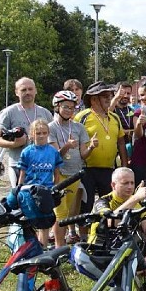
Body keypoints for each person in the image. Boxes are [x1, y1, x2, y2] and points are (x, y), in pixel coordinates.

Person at [91, 167, 146, 274]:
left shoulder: (138, 203)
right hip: (103, 250)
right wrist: (135, 198)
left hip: (127, 247)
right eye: (125, 183)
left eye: (132, 183)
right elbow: (111, 222)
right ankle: (133, 271)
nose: (130, 187)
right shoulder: (102, 201)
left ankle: (141, 268)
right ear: (113, 185)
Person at [74, 81, 129, 236]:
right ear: (93, 99)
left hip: (109, 169)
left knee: (109, 204)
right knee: (86, 205)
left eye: (110, 95)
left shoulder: (115, 117)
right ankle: (83, 237)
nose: (108, 98)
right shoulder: (82, 117)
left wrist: (124, 166)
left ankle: (108, 234)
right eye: (104, 96)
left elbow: (121, 143)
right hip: (86, 169)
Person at [49, 90, 93, 246]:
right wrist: (67, 146)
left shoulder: (79, 127)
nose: (69, 110)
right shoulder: (51, 128)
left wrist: (92, 147)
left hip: (75, 174)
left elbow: (83, 154)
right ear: (57, 107)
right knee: (60, 214)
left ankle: (65, 242)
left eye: (72, 108)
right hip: (60, 174)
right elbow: (55, 157)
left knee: (70, 212)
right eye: (65, 107)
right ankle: (58, 248)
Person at [0, 77, 53, 187]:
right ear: (17, 92)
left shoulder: (45, 113)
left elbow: (53, 137)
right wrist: (14, 144)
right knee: (21, 200)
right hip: (18, 165)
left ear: (36, 91)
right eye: (23, 90)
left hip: (42, 166)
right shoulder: (8, 112)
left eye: (30, 89)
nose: (27, 92)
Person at [17, 118, 63, 247]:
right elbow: (22, 173)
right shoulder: (27, 152)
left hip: (46, 190)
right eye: (38, 133)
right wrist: (18, 189)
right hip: (29, 190)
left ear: (48, 133)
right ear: (32, 134)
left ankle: (42, 247)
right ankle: (32, 245)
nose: (41, 136)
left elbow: (56, 171)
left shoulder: (53, 151)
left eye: (44, 133)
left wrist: (56, 187)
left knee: (45, 220)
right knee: (30, 218)